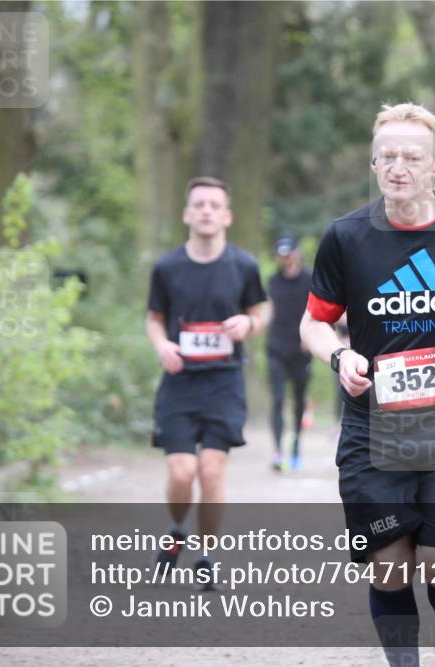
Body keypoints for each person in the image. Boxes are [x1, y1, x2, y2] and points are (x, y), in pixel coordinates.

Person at [299, 104, 435, 667]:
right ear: (374, 163)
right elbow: (313, 322)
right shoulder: (346, 237)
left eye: (412, 157)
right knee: (390, 565)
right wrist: (340, 356)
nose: (399, 166)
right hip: (374, 427)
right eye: (388, 155)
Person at [146, 176, 269, 590]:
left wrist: (249, 322)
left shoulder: (244, 265)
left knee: (212, 470)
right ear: (187, 213)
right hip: (179, 384)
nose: (206, 211)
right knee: (182, 471)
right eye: (199, 204)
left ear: (227, 216)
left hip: (224, 383)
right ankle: (177, 530)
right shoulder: (166, 267)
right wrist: (162, 345)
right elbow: (154, 318)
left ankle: (207, 554)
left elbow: (262, 310)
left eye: (214, 205)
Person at [266, 234, 313, 472]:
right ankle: (277, 451)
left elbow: (319, 311)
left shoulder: (310, 279)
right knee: (277, 399)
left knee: (298, 403)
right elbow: (268, 311)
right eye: (281, 254)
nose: (285, 258)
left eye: (289, 253)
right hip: (276, 348)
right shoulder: (273, 281)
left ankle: (295, 447)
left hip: (301, 350)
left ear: (297, 253)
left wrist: (313, 338)